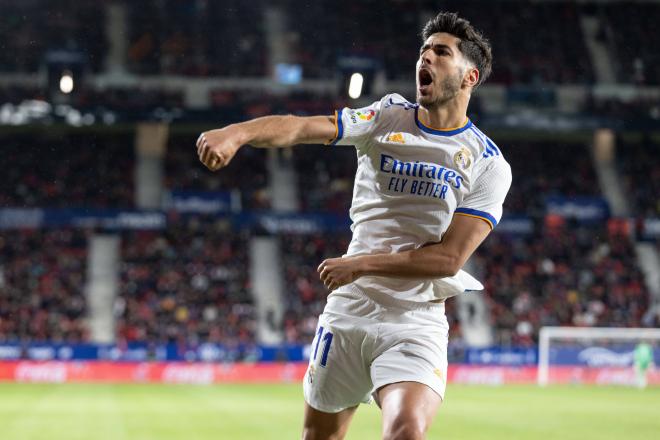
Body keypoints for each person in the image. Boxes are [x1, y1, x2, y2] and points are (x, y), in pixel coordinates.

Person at [196, 11, 511, 440]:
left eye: (441, 52)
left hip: (414, 319)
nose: (427, 58)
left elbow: (447, 258)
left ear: (470, 76)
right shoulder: (386, 117)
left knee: (406, 432)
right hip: (349, 312)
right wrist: (238, 132)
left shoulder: (488, 163)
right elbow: (302, 127)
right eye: (424, 50)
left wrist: (361, 263)